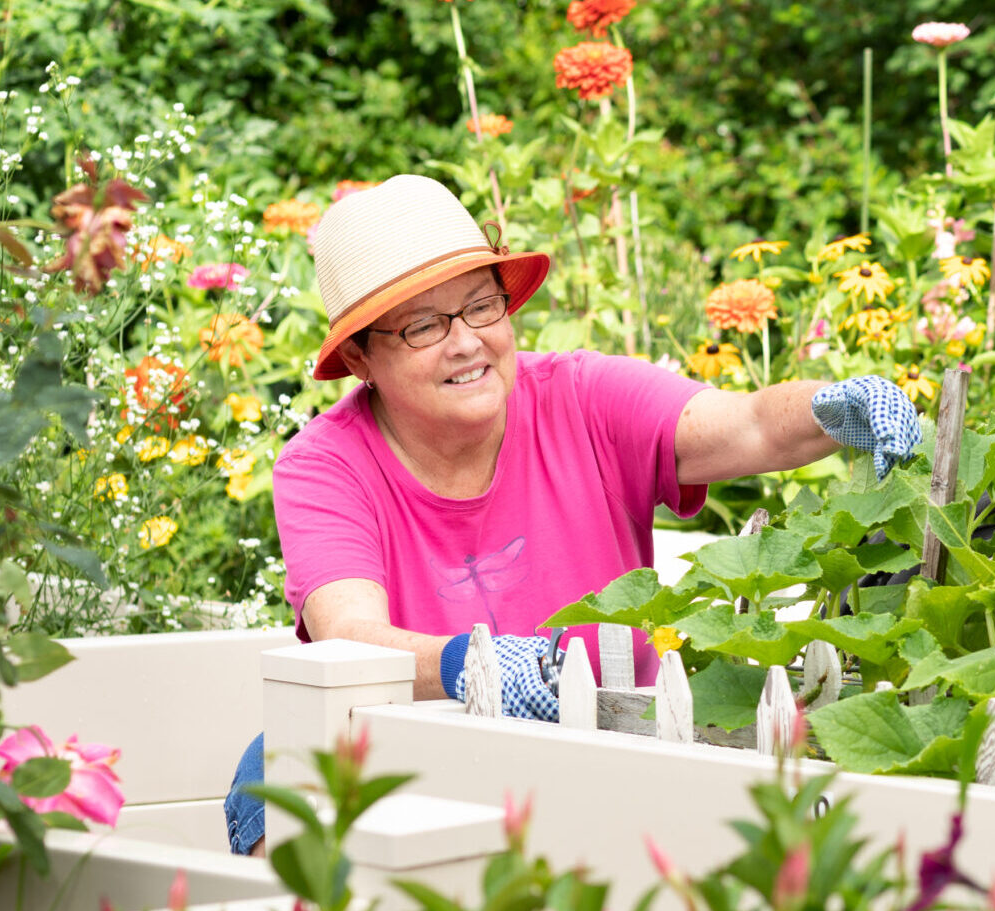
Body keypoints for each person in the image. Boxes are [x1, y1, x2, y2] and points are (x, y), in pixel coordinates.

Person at [221, 175, 919, 853]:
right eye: (424, 325)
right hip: (421, 777)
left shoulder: (582, 398)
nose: (465, 341)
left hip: (613, 762)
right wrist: (475, 663)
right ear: (359, 356)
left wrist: (835, 405)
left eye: (480, 306)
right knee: (269, 769)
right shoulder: (325, 464)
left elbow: (750, 425)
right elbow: (349, 636)